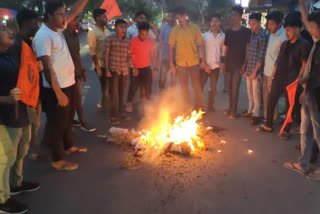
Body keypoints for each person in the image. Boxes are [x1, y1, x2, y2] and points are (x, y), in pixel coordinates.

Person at [33, 0, 88, 171]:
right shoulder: (43, 36)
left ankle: (68, 146)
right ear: (48, 15)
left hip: (69, 83)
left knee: (68, 119)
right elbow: (47, 68)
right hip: (56, 89)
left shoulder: (57, 29)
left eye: (64, 14)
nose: (64, 17)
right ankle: (57, 160)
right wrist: (58, 93)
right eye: (60, 14)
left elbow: (73, 10)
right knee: (57, 124)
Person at [257, 11, 311, 141]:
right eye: (286, 30)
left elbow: (305, 65)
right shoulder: (285, 44)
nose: (287, 33)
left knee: (289, 107)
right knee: (270, 100)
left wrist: (298, 80)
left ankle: (286, 130)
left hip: (292, 81)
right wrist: (273, 77)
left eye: (289, 30)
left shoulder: (304, 45)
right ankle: (269, 124)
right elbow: (278, 61)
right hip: (279, 78)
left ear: (297, 29)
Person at [0, 21, 35, 214]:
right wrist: (7, 98)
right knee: (5, 158)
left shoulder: (8, 55)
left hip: (20, 111)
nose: (8, 31)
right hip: (4, 117)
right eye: (3, 29)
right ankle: (2, 199)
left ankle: (15, 184)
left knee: (21, 150)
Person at [284, 0, 320, 178]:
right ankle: (303, 163)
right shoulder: (316, 42)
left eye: (313, 27)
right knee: (305, 129)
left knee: (318, 132)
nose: (310, 29)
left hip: (316, 97)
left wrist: (306, 84)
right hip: (310, 94)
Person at [169, 6, 208, 110]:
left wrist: (203, 60)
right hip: (180, 64)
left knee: (196, 86)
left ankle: (199, 107)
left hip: (193, 62)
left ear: (185, 16)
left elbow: (201, 44)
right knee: (184, 88)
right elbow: (171, 47)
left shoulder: (194, 28)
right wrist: (171, 64)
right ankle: (187, 107)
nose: (180, 20)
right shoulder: (175, 31)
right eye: (178, 18)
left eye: (181, 17)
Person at [63, 16, 96, 132]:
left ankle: (76, 121)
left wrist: (82, 71)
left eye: (77, 20)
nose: (77, 23)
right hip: (66, 74)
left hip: (75, 73)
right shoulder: (62, 36)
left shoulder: (74, 36)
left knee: (76, 99)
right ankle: (81, 122)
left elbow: (77, 56)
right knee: (74, 100)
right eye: (74, 20)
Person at [126, 11, 158, 113]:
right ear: (138, 32)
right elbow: (129, 56)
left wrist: (155, 68)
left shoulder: (150, 41)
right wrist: (133, 68)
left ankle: (146, 103)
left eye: (146, 34)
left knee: (148, 86)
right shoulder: (133, 41)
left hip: (146, 68)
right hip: (136, 68)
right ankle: (129, 103)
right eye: (142, 34)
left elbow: (152, 55)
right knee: (133, 87)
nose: (144, 36)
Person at [223, 5, 251, 119]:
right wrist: (223, 63)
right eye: (232, 15)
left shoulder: (246, 32)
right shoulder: (228, 32)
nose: (232, 17)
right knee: (229, 88)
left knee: (235, 88)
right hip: (229, 63)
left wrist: (245, 64)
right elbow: (226, 48)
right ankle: (231, 108)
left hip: (239, 64)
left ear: (240, 17)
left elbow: (247, 48)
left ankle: (233, 112)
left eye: (234, 15)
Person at [242, 13, 268, 125]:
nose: (251, 26)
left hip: (256, 72)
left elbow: (261, 57)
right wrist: (246, 68)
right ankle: (250, 110)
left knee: (256, 93)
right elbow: (249, 53)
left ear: (259, 22)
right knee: (249, 92)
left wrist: (254, 72)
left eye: (253, 24)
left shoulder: (263, 36)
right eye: (250, 24)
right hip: (249, 69)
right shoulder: (252, 35)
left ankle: (256, 114)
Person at [105, 19, 132, 125]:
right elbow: (106, 55)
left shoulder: (127, 40)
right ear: (115, 27)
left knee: (122, 94)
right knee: (114, 95)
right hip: (114, 71)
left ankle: (122, 113)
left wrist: (132, 68)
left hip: (124, 71)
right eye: (121, 27)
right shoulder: (110, 39)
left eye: (125, 27)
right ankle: (112, 116)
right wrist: (107, 70)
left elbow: (129, 56)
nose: (123, 29)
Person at [262, 11, 287, 122]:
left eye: (272, 24)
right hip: (266, 71)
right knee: (266, 97)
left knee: (272, 99)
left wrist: (273, 76)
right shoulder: (271, 35)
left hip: (275, 74)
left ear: (279, 24)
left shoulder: (284, 37)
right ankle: (267, 118)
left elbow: (281, 59)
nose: (269, 26)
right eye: (268, 24)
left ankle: (271, 120)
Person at [88, 8, 111, 110]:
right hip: (100, 65)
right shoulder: (93, 33)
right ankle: (104, 105)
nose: (106, 18)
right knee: (105, 86)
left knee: (109, 86)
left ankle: (105, 103)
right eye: (104, 16)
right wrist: (97, 67)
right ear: (97, 18)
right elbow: (92, 52)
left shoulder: (107, 31)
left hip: (109, 64)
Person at [201, 13, 225, 112]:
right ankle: (198, 105)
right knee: (200, 86)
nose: (214, 23)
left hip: (216, 66)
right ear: (210, 23)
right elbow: (201, 50)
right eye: (212, 21)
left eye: (216, 21)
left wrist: (222, 64)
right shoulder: (205, 36)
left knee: (213, 88)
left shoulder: (223, 36)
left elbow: (223, 51)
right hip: (205, 65)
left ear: (220, 22)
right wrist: (203, 63)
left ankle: (210, 106)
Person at [157, 9, 177, 92]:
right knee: (162, 78)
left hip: (176, 59)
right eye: (168, 16)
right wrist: (157, 57)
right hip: (165, 58)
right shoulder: (164, 28)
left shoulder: (178, 29)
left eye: (171, 16)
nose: (169, 18)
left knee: (173, 79)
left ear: (175, 18)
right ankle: (161, 96)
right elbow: (160, 43)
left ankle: (171, 97)